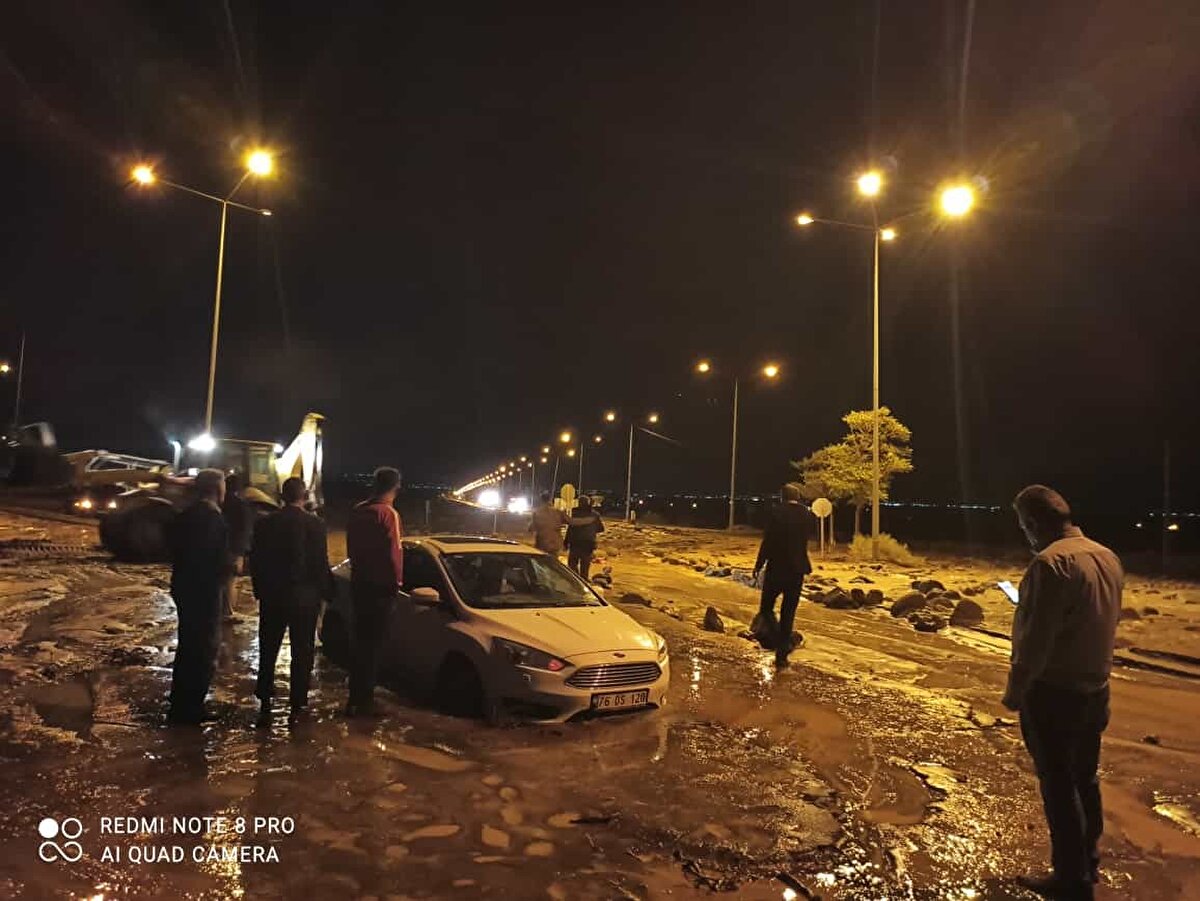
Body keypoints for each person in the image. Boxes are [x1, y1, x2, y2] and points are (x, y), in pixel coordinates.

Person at [1003, 486, 1122, 901]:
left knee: (1057, 784)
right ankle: (1087, 859)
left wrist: (1015, 690)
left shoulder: (1050, 564)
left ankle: (1069, 877)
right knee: (1085, 778)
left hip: (1054, 692)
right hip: (1096, 686)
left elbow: (1036, 641)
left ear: (1034, 523)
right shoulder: (1106, 557)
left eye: (1023, 526)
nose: (1025, 534)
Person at [249, 476, 333, 723]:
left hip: (273, 595)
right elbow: (320, 562)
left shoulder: (265, 523)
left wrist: (259, 590)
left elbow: (256, 560)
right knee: (302, 649)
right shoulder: (316, 525)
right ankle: (298, 701)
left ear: (282, 495)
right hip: (304, 597)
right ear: (304, 496)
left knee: (269, 645)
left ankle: (264, 692)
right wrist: (326, 593)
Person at [165, 469, 230, 725]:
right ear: (217, 489)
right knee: (203, 648)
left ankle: (180, 701)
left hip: (185, 587)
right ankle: (191, 708)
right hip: (204, 590)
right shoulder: (212, 519)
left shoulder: (186, 515)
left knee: (188, 644)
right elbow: (214, 559)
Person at [344, 466, 404, 717]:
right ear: (395, 488)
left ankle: (355, 697)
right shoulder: (387, 514)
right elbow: (394, 553)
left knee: (360, 642)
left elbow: (350, 550)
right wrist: (397, 583)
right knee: (374, 645)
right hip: (381, 587)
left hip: (359, 583)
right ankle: (365, 700)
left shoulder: (358, 511)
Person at [752, 483, 815, 669]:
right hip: (797, 571)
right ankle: (781, 657)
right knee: (789, 613)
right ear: (797, 496)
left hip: (777, 568)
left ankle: (782, 641)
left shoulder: (776, 512)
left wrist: (759, 564)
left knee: (766, 609)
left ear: (782, 497)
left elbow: (768, 541)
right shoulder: (807, 514)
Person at [220, 472, 253, 622]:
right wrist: (240, 554)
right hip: (232, 549)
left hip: (219, 548)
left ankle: (221, 611)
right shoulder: (241, 506)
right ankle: (227, 612)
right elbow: (243, 531)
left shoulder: (220, 503)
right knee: (229, 581)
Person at [564, 496, 604, 580]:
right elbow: (601, 529)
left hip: (575, 543)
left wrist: (566, 542)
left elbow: (570, 529)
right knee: (585, 566)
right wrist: (591, 530)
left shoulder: (575, 513)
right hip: (588, 544)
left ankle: (575, 581)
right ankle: (583, 582)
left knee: (572, 565)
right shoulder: (594, 514)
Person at [529, 492, 568, 556]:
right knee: (553, 562)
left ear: (541, 500)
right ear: (550, 499)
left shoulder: (538, 512)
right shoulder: (558, 511)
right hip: (555, 543)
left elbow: (532, 528)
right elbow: (569, 521)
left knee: (542, 562)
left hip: (543, 543)